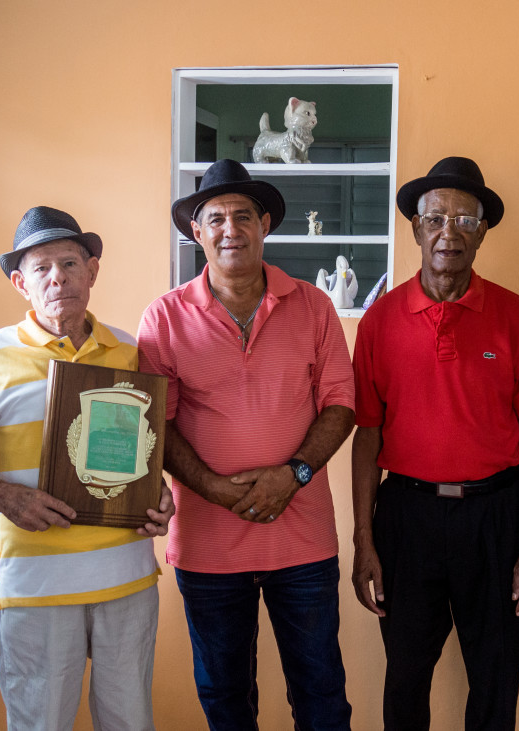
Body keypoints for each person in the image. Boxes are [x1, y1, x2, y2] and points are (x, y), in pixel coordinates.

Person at [137, 159, 355, 730]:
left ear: (265, 226)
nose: (230, 229)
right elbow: (155, 422)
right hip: (208, 544)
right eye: (216, 219)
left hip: (302, 542)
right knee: (226, 699)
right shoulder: (164, 317)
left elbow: (341, 404)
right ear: (197, 232)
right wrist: (211, 488)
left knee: (322, 696)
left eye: (243, 217)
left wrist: (293, 475)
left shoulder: (313, 305)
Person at [351, 156, 519, 731]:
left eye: (466, 221)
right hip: (407, 518)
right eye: (436, 219)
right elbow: (367, 436)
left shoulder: (514, 315)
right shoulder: (380, 321)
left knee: (496, 680)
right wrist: (364, 540)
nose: (450, 233)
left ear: (482, 232)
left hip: (496, 518)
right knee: (405, 678)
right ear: (416, 228)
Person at [0, 206, 173, 731]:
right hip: (37, 588)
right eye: (41, 268)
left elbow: (142, 449)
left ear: (92, 272)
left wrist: (159, 492)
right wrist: (2, 496)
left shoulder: (129, 351)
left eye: (70, 263)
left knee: (131, 724)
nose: (58, 278)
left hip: (127, 580)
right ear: (20, 283)